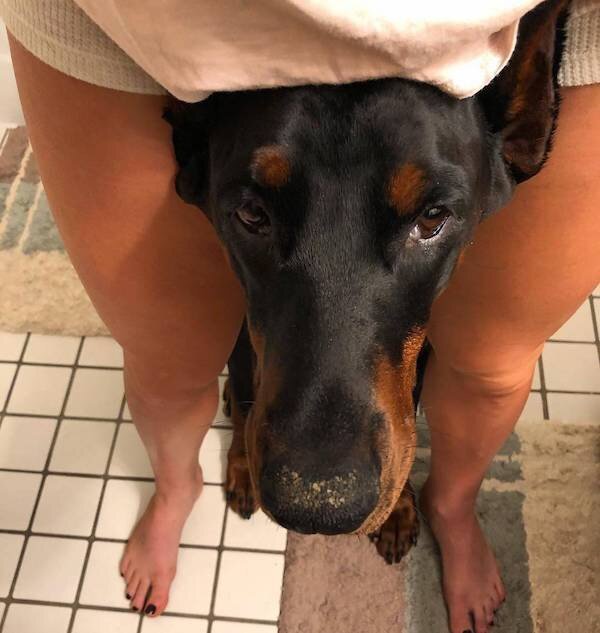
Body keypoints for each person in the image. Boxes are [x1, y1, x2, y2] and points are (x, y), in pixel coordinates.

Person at [2, 1, 598, 632]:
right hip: (160, 20)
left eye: (427, 218)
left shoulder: (505, 131)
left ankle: (449, 506)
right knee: (169, 359)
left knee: (490, 366)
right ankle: (178, 487)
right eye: (255, 214)